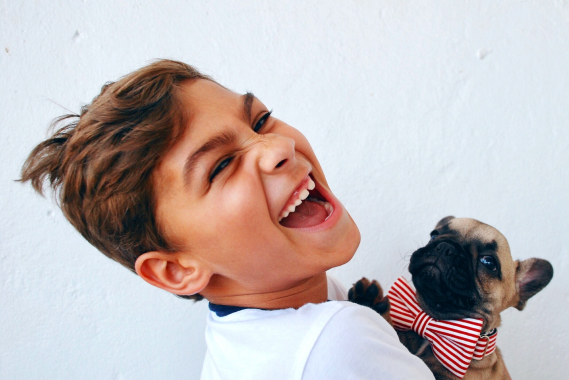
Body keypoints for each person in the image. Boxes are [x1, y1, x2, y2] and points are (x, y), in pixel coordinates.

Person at [21, 60, 434, 379]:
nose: (278, 146)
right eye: (220, 167)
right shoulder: (336, 344)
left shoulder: (249, 339)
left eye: (258, 121)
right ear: (176, 269)